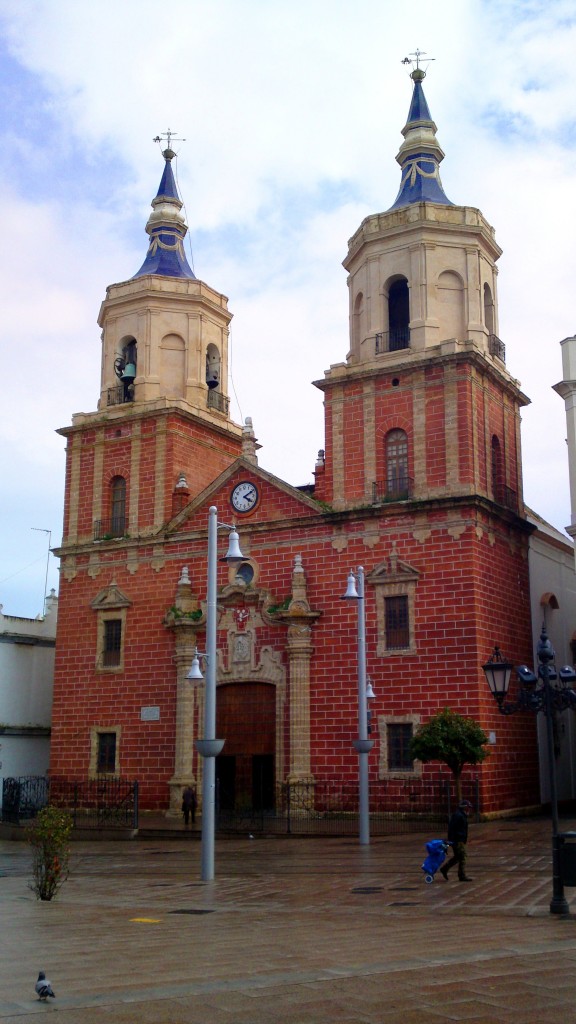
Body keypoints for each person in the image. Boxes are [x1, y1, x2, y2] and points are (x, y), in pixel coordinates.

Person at [441, 800, 472, 882]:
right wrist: (452, 840)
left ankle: (444, 869)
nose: (469, 809)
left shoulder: (461, 815)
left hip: (459, 839)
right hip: (457, 840)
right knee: (463, 857)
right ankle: (462, 876)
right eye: (468, 807)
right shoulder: (459, 816)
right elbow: (452, 829)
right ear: (464, 807)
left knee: (457, 857)